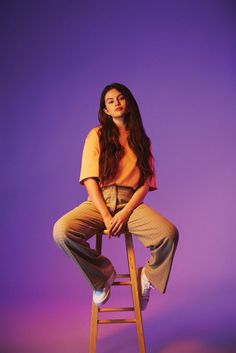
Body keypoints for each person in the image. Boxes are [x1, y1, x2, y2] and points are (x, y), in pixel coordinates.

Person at [53, 82, 179, 310]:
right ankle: (102, 275)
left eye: (120, 98)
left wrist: (125, 213)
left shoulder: (142, 140)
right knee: (62, 232)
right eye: (110, 101)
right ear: (105, 111)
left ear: (128, 103)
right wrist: (106, 214)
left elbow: (144, 184)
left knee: (168, 234)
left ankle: (147, 276)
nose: (116, 103)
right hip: (99, 201)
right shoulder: (96, 135)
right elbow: (90, 179)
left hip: (129, 203)